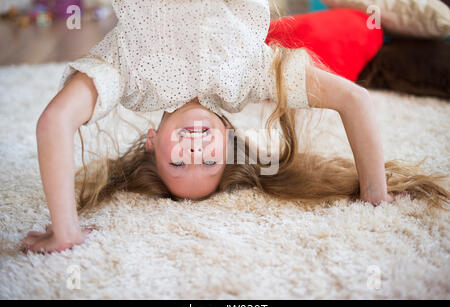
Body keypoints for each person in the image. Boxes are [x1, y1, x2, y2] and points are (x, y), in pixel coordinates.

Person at [23, 0, 449, 254]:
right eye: (208, 161)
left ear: (153, 143)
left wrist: (67, 231)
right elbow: (355, 99)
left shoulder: (126, 77)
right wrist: (374, 193)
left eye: (178, 161)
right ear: (228, 140)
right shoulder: (251, 77)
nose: (193, 152)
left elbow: (55, 122)